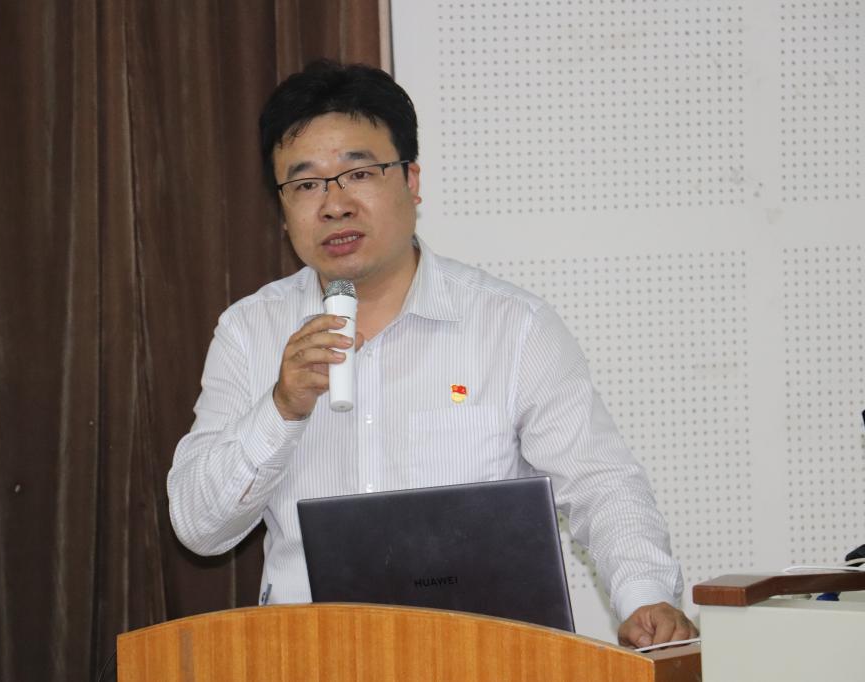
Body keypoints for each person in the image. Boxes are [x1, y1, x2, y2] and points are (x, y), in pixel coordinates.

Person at [167, 59, 697, 648]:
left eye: (358, 173)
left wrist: (645, 595)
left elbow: (601, 483)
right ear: (283, 208)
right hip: (313, 657)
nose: (335, 205)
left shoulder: (511, 326)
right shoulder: (250, 332)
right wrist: (281, 408)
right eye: (306, 184)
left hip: (484, 657)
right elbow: (200, 529)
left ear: (411, 181)